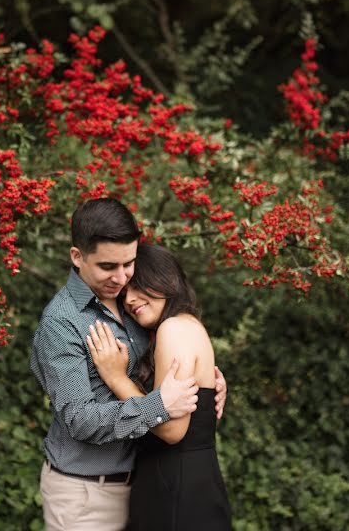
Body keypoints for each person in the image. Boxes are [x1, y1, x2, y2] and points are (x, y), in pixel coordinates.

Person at [30, 198, 227, 531]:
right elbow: (80, 418)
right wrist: (158, 405)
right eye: (108, 266)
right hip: (87, 492)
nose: (121, 278)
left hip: (144, 483)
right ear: (77, 257)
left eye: (129, 264)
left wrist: (208, 387)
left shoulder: (135, 307)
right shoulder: (61, 322)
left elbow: (160, 366)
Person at [87, 243, 232, 530]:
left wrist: (116, 377)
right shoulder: (184, 326)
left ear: (164, 278)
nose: (129, 299)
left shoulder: (174, 329)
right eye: (125, 292)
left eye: (138, 284)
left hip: (176, 490)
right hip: (185, 484)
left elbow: (172, 430)